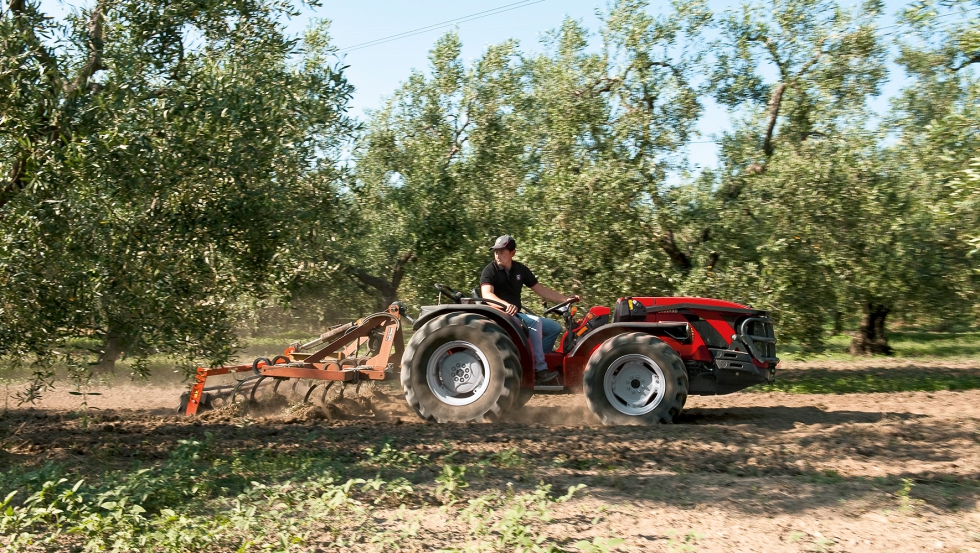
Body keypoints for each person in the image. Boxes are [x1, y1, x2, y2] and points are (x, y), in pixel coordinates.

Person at [480, 234, 580, 383]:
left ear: (512, 253)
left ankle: (537, 361)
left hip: (516, 315)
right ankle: (540, 370)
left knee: (554, 327)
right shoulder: (490, 270)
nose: (498, 255)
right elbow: (487, 295)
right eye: (496, 252)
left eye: (502, 252)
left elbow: (541, 290)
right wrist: (506, 305)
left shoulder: (520, 269)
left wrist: (565, 299)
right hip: (501, 315)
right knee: (534, 322)